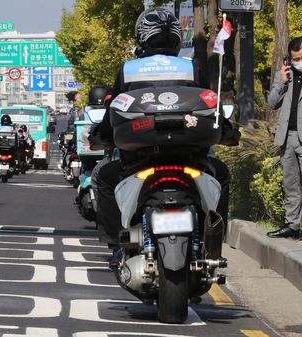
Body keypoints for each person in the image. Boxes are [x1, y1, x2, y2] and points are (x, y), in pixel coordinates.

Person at [89, 8, 232, 266]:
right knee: (221, 174)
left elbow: (114, 113)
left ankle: (116, 248)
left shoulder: (128, 69)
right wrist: (228, 131)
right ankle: (214, 243)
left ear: (142, 38)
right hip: (191, 157)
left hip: (138, 160)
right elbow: (211, 107)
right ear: (177, 39)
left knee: (102, 177)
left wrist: (101, 136)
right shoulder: (191, 67)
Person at [267, 36, 302, 240]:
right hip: (287, 137)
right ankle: (292, 225)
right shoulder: (285, 75)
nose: (297, 61)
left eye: (300, 58)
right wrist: (282, 82)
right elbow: (272, 103)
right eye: (294, 58)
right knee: (291, 184)